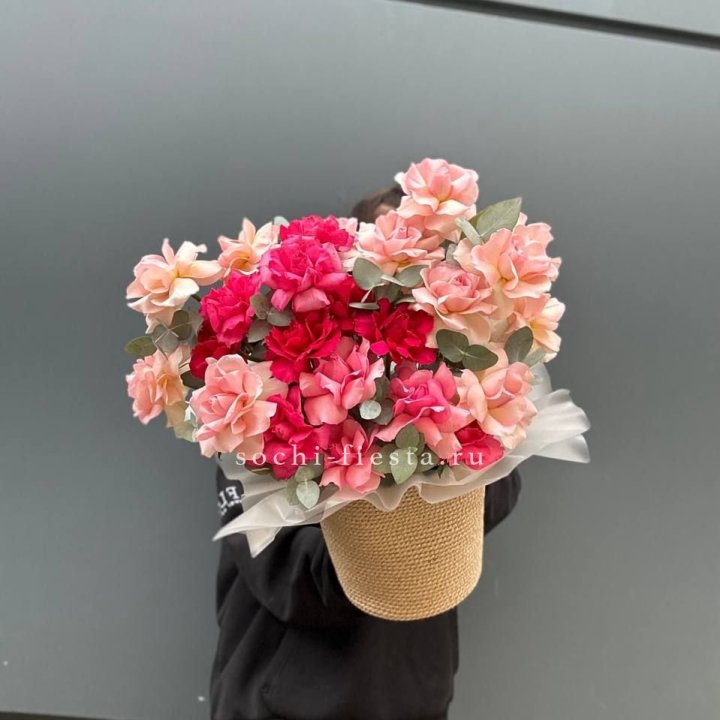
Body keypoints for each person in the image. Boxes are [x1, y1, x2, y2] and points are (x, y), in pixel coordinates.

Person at [210, 185, 523, 720]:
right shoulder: (257, 405)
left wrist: (443, 458)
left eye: (426, 260)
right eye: (391, 257)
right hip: (278, 704)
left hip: (412, 696)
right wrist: (380, 527)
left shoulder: (472, 386)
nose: (408, 279)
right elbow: (287, 575)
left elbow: (498, 494)